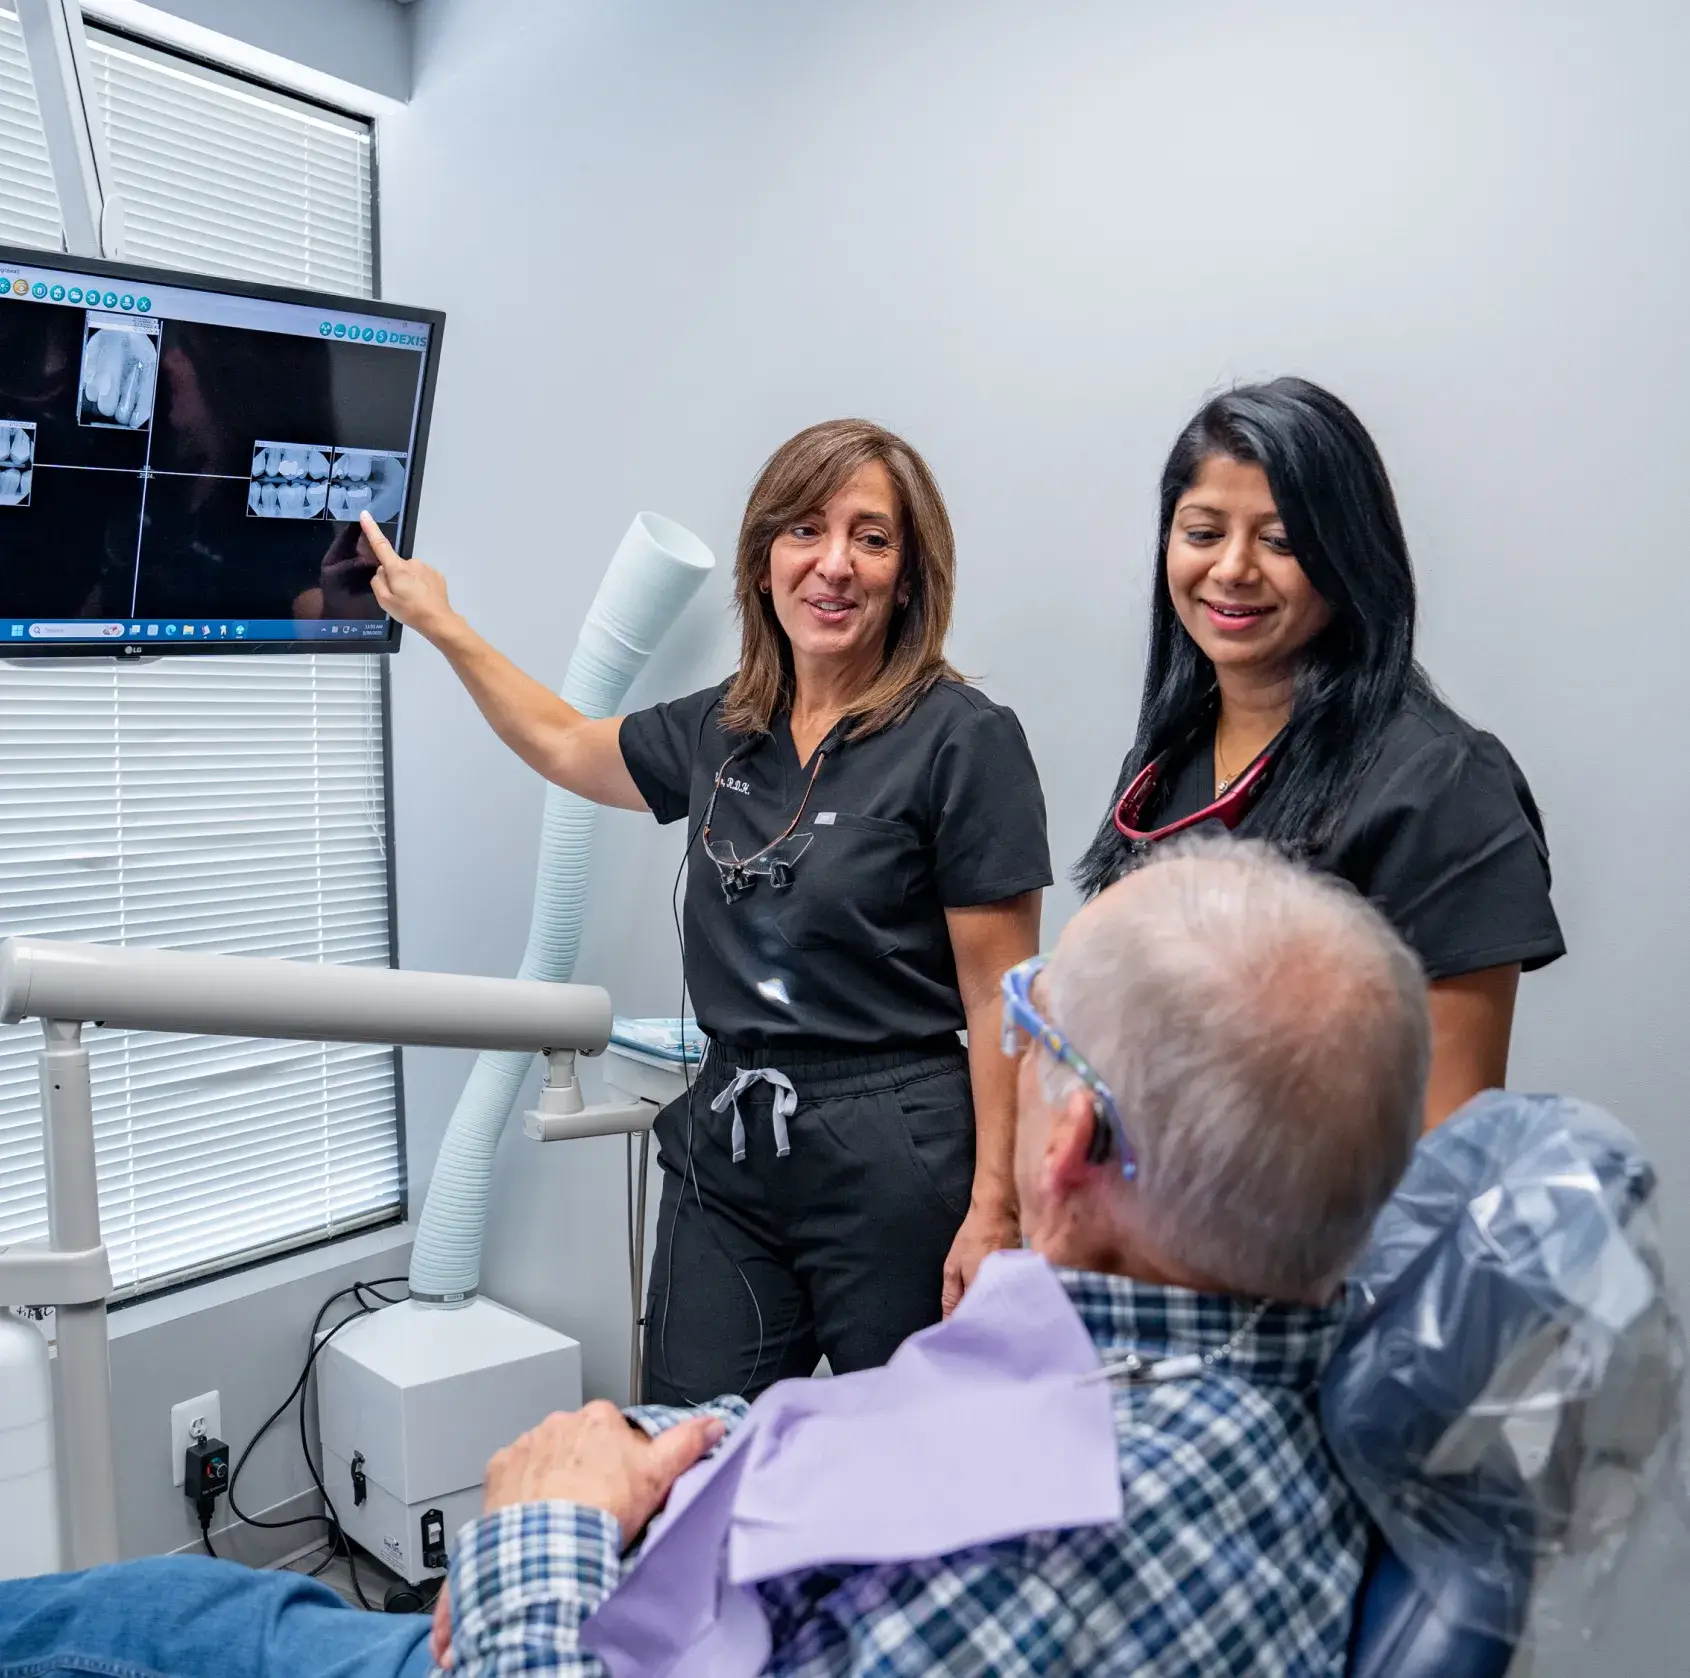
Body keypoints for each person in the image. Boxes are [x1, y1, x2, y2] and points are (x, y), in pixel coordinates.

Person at [0, 838, 1431, 1678]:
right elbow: (895, 1435)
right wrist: (677, 1445)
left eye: (1033, 1037)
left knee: (148, 1619)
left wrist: (540, 1534)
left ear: (1067, 1149)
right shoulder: (1277, 1396)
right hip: (671, 1527)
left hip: (546, 1625)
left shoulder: (1050, 1554)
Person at [358, 418, 1049, 1403]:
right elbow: (564, 742)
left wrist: (997, 1208)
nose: (833, 564)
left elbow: (998, 998)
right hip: (730, 1147)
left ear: (909, 573)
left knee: (910, 1465)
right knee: (678, 1447)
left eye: (870, 537)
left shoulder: (962, 740)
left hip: (898, 1153)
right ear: (764, 558)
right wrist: (440, 622)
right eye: (805, 530)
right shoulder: (725, 726)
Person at [1076, 378, 1564, 1127]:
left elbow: (1445, 1136)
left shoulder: (1443, 785)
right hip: (1149, 1224)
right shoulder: (1167, 763)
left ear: (1348, 555)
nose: (1233, 569)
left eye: (1281, 541)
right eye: (1203, 533)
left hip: (1328, 1240)